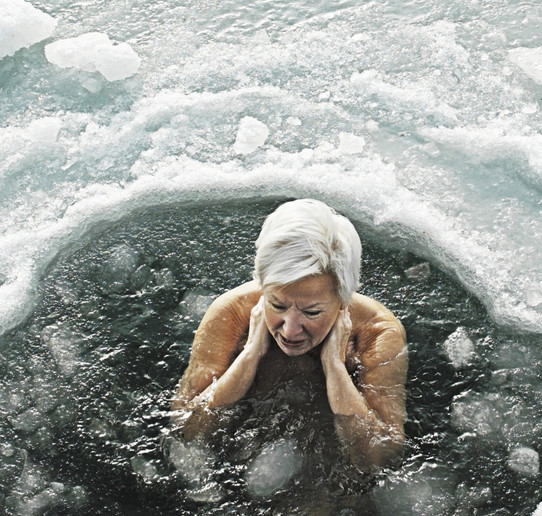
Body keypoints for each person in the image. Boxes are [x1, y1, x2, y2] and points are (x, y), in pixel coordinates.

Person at [171, 199, 408, 471]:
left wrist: (335, 368)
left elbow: (380, 459)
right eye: (278, 305)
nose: (289, 329)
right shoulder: (232, 314)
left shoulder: (376, 332)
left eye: (311, 312)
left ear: (343, 302)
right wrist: (249, 356)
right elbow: (187, 431)